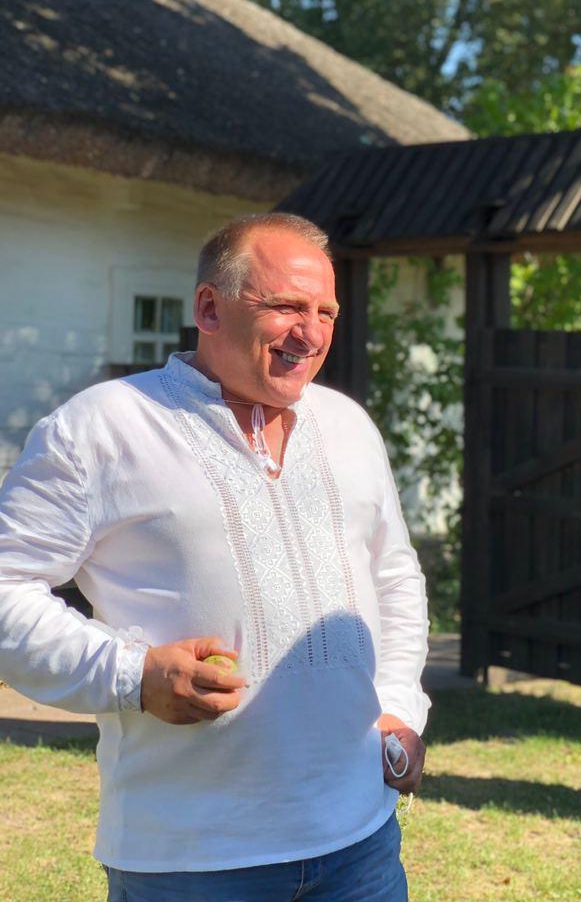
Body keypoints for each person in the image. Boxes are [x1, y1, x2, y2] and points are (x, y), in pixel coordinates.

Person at [0, 212, 429, 901]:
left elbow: (394, 575)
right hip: (191, 860)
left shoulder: (348, 425)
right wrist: (133, 675)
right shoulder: (101, 428)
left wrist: (400, 705)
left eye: (326, 312)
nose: (311, 333)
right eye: (286, 306)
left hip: (361, 845)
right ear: (208, 308)